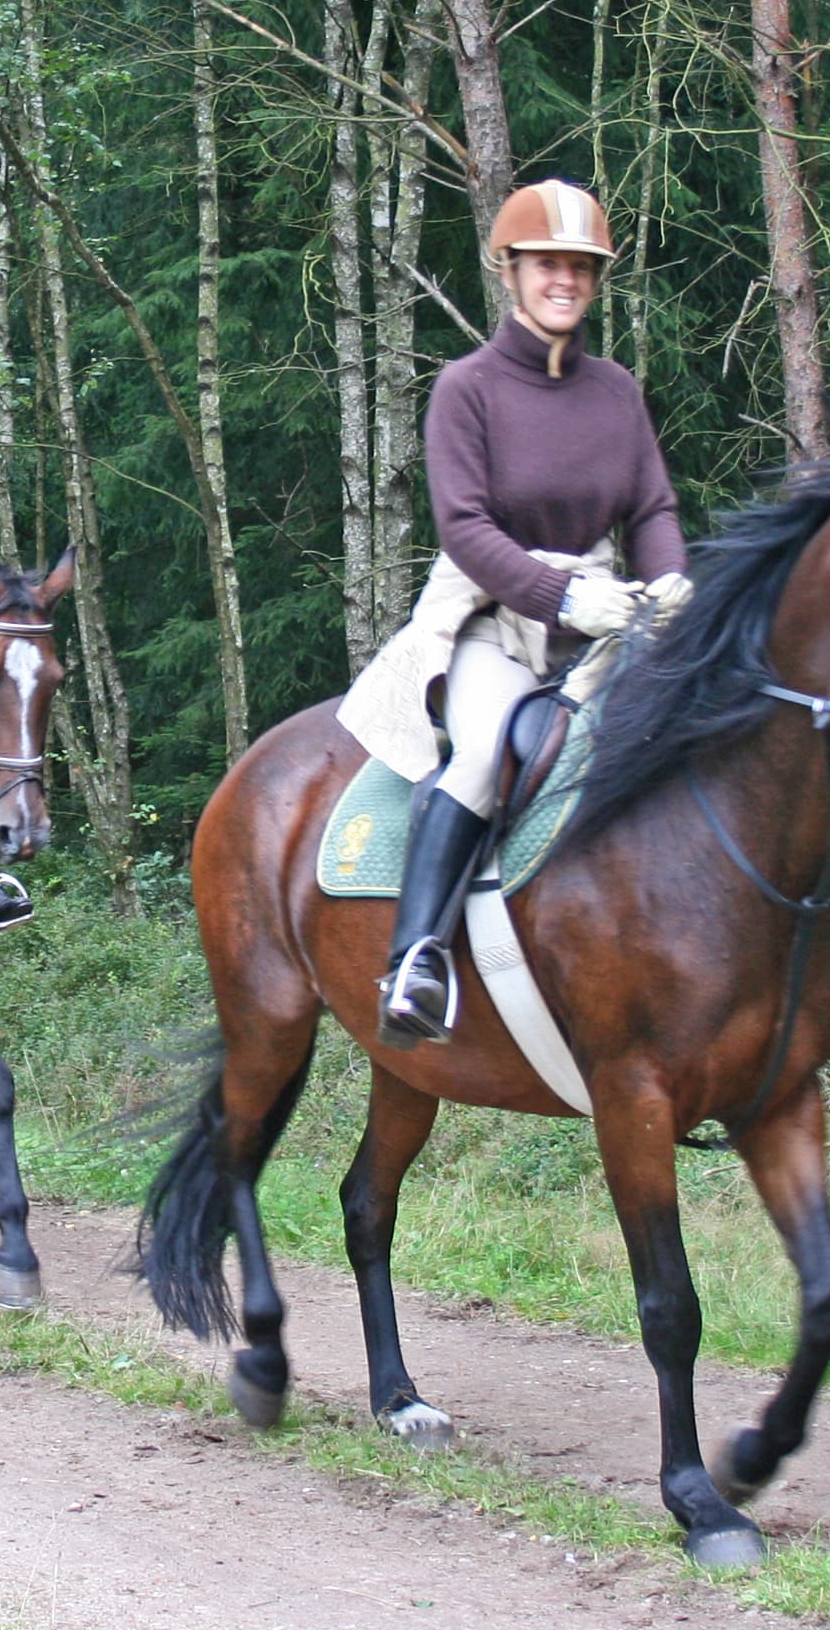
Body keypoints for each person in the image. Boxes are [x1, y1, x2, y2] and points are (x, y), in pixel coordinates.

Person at [339, 179, 690, 1049]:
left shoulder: (617, 392)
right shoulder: (468, 387)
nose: (564, 280)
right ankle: (416, 959)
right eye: (548, 265)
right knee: (487, 752)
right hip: (494, 624)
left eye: (580, 267)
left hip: (608, 626)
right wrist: (562, 594)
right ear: (511, 271)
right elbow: (463, 528)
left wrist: (670, 579)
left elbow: (650, 510)